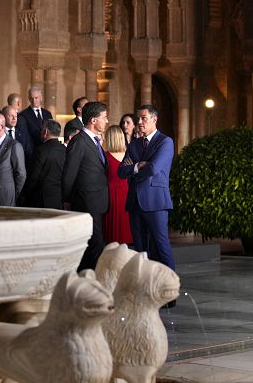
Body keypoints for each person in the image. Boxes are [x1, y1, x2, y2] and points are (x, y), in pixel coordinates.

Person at [118, 104, 176, 270]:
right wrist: (137, 166)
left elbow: (153, 168)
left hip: (156, 202)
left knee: (161, 245)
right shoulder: (135, 144)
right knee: (140, 249)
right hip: (135, 202)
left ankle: (169, 286)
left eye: (144, 118)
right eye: (138, 119)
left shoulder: (165, 142)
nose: (140, 122)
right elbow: (122, 171)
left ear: (154, 120)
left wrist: (136, 168)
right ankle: (144, 285)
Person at [62, 101, 109, 271]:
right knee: (94, 245)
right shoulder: (79, 141)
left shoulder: (96, 141)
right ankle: (89, 282)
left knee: (95, 245)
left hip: (98, 200)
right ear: (93, 121)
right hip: (86, 201)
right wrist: (66, 199)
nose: (107, 120)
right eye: (104, 117)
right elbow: (69, 174)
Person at [20, 119, 64, 209]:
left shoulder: (40, 151)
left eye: (41, 130)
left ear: (45, 132)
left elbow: (33, 177)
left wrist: (25, 195)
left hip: (41, 200)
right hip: (59, 199)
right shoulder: (65, 150)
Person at [102, 124, 134, 245]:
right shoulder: (128, 156)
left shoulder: (105, 156)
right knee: (124, 219)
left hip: (110, 193)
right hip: (126, 190)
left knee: (112, 225)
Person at [17, 86, 52, 156]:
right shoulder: (23, 115)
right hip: (32, 153)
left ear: (41, 98)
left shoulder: (47, 114)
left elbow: (51, 131)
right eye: (31, 98)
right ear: (29, 98)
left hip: (47, 151)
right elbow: (24, 137)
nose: (34, 100)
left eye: (36, 98)